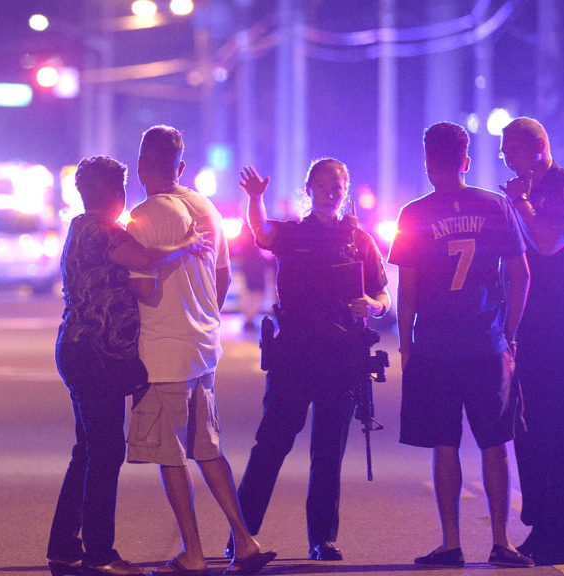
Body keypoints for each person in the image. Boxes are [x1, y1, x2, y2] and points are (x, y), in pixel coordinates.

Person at [48, 155, 212, 576]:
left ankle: (64, 546)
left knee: (87, 450)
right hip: (96, 356)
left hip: (77, 350)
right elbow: (144, 258)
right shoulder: (103, 232)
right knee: (105, 452)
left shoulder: (77, 227)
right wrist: (187, 245)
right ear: (116, 194)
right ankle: (100, 554)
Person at [124, 125, 276, 576]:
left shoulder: (144, 215)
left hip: (162, 351)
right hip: (203, 347)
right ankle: (244, 541)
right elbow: (223, 277)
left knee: (171, 455)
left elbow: (140, 286)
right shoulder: (207, 209)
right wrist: (203, 310)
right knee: (208, 448)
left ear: (140, 167)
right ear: (181, 167)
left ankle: (192, 553)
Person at [231, 159, 391, 562]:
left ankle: (322, 539)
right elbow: (261, 233)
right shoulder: (294, 233)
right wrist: (255, 199)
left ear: (346, 188)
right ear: (309, 189)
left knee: (327, 453)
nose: (330, 191)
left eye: (337, 184)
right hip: (295, 354)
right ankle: (241, 535)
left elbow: (383, 297)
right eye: (321, 185)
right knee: (271, 445)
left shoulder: (359, 240)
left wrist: (371, 305)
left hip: (341, 357)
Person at [389, 122, 532, 567]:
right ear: (466, 162)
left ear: (429, 164)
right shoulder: (496, 206)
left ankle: (451, 543)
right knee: (495, 443)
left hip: (434, 345)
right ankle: (502, 542)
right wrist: (508, 333)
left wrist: (406, 342)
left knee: (444, 443)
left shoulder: (413, 214)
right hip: (486, 343)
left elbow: (406, 286)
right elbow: (521, 275)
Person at [498, 117, 564, 565]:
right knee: (529, 430)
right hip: (529, 324)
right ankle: (542, 523)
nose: (507, 161)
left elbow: (550, 244)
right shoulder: (520, 195)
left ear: (537, 147)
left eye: (511, 151)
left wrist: (524, 206)